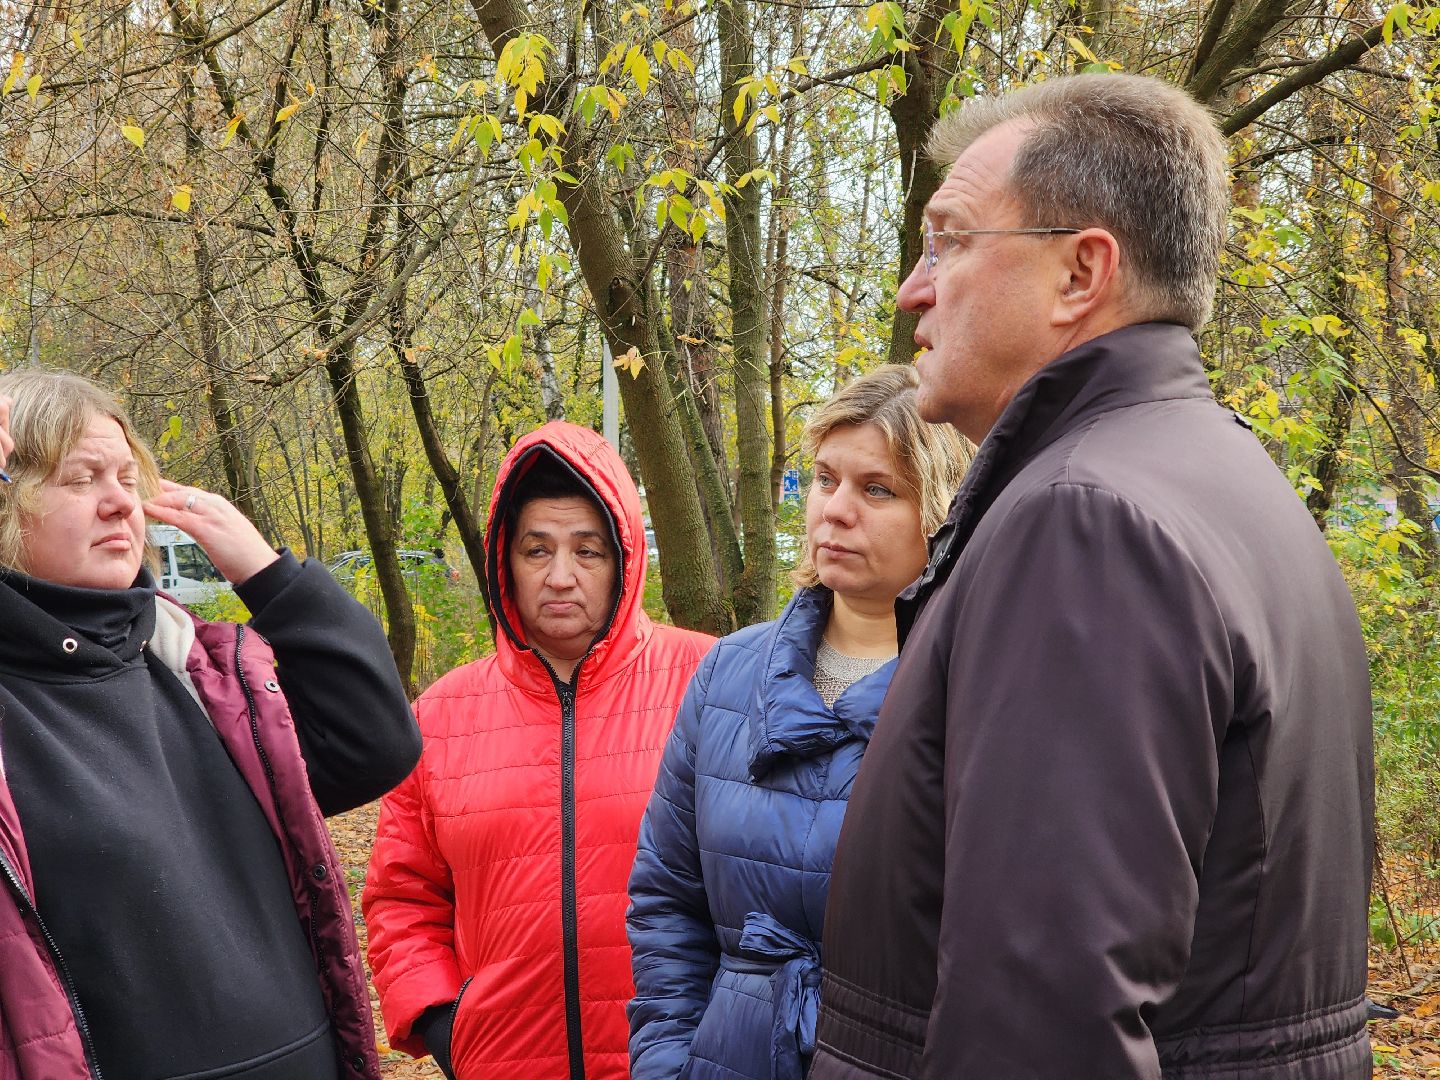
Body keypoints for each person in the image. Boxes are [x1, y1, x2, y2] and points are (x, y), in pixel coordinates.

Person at [811, 73, 1374, 1080]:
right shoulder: (1228, 483)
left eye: (947, 241)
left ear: (1080, 274)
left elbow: (1043, 1023)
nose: (914, 286)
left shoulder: (1087, 523)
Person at [0, 369, 421, 1080]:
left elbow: (373, 742)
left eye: (128, 478)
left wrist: (270, 576)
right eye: (80, 479)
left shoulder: (199, 671)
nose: (117, 503)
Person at [626, 366, 970, 1080]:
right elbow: (667, 900)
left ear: (940, 511)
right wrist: (668, 1065)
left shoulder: (978, 689)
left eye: (877, 489)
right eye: (824, 479)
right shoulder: (729, 674)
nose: (835, 510)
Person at [363, 421, 716, 1080]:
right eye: (536, 550)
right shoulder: (439, 717)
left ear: (624, 561)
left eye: (587, 551)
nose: (560, 577)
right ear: (504, 560)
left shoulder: (711, 681)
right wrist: (447, 1023)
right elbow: (400, 899)